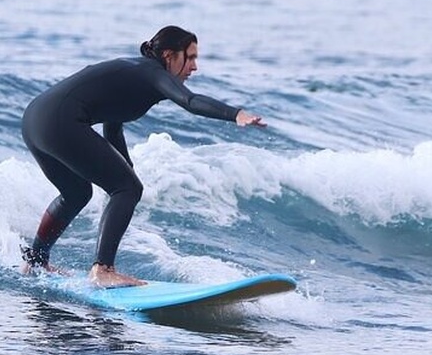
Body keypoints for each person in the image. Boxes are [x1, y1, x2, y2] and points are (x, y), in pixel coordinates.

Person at [20, 25, 266, 287]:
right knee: (127, 188)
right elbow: (190, 102)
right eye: (190, 57)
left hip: (35, 120)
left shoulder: (135, 71)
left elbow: (112, 124)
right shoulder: (152, 73)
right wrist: (235, 114)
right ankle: (102, 270)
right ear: (170, 55)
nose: (194, 67)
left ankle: (35, 259)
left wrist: (125, 168)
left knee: (78, 193)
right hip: (60, 122)